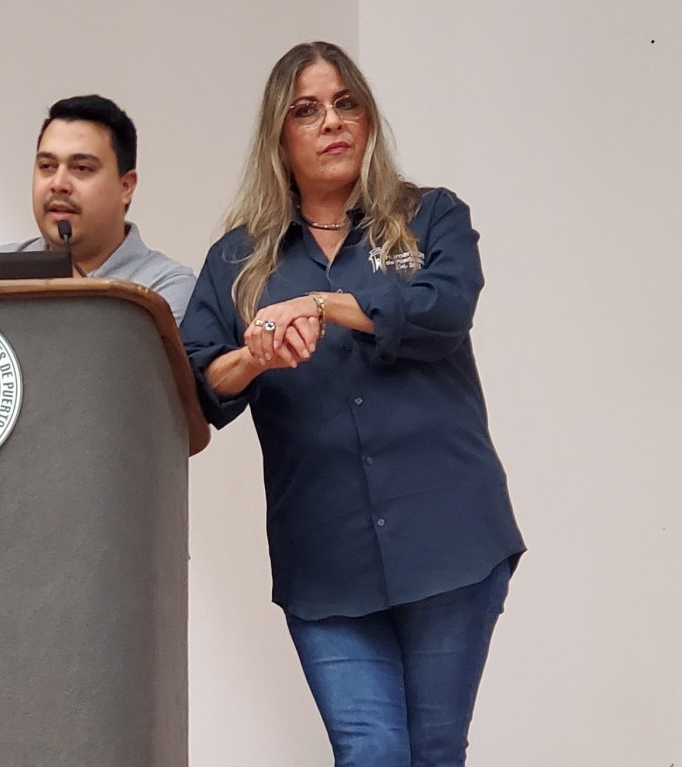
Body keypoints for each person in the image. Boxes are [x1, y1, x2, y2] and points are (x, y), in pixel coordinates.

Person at [180, 41, 526, 766]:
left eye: (346, 104)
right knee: (369, 751)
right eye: (307, 110)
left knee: (432, 750)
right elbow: (195, 383)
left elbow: (444, 309)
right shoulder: (239, 262)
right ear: (280, 135)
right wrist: (257, 353)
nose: (331, 121)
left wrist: (324, 303)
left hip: (450, 540)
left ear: (367, 120)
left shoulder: (430, 218)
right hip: (325, 560)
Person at [0, 94, 196, 324]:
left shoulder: (162, 288)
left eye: (81, 168)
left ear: (126, 186)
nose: (58, 184)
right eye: (47, 166)